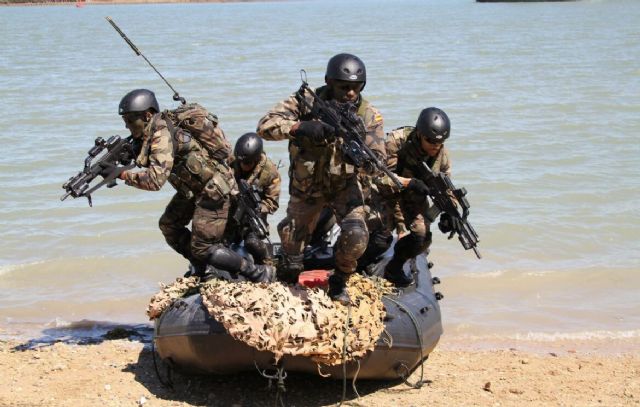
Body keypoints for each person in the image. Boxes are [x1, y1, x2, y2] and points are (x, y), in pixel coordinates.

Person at [257, 53, 386, 304]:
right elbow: (264, 126)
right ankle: (289, 274)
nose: (350, 93)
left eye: (355, 88)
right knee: (292, 248)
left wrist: (360, 153)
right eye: (343, 87)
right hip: (307, 187)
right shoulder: (307, 101)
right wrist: (299, 127)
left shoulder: (369, 116)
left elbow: (378, 166)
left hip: (344, 186)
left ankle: (339, 281)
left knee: (357, 236)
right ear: (328, 81)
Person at [116, 89, 273, 282]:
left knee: (203, 247)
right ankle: (202, 267)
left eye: (131, 120)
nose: (127, 126)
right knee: (169, 225)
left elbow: (155, 180)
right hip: (193, 189)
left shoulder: (161, 134)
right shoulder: (154, 132)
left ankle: (258, 273)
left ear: (148, 115)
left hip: (213, 190)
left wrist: (123, 175)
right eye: (125, 121)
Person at [383, 107, 452, 287]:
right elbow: (380, 177)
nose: (435, 146)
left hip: (414, 199)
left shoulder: (441, 154)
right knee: (379, 241)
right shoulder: (396, 142)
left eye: (440, 142)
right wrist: (409, 183)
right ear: (419, 134)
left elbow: (446, 187)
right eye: (430, 141)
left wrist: (447, 213)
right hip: (385, 195)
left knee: (422, 238)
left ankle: (394, 267)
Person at [225, 132, 281, 265]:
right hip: (230, 212)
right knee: (219, 243)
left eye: (248, 163)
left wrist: (257, 208)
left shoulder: (270, 172)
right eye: (241, 162)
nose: (244, 165)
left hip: (253, 216)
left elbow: (272, 203)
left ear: (256, 159)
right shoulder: (231, 161)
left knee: (253, 243)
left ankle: (267, 263)